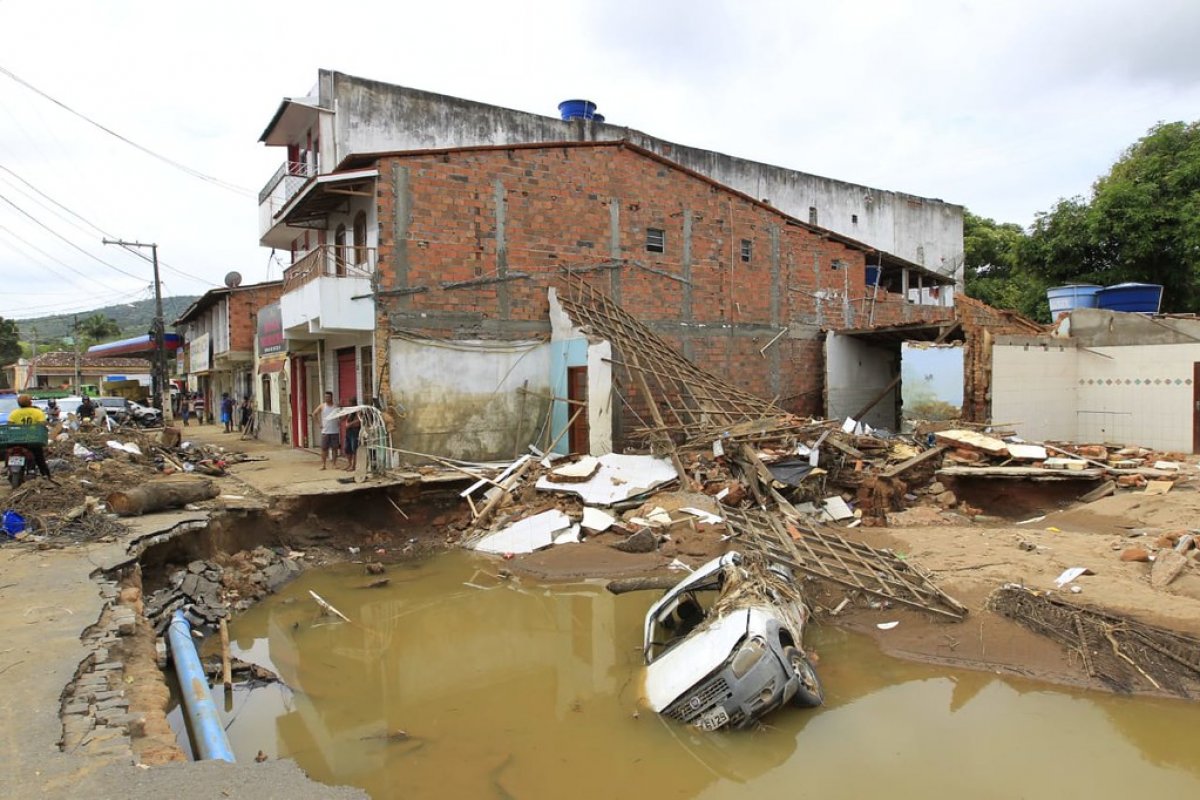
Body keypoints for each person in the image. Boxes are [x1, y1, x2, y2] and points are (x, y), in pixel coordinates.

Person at [4, 395, 53, 481]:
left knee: (9, 451)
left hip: (16, 440)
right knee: (39, 459)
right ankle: (46, 476)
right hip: (33, 440)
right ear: (30, 402)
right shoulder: (37, 412)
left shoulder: (14, 413)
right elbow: (42, 425)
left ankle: (6, 467)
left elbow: (10, 426)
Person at [311, 391, 340, 470]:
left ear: (331, 397)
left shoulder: (335, 406)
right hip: (325, 431)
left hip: (334, 431)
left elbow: (341, 414)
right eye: (326, 397)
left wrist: (340, 421)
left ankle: (334, 464)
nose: (327, 398)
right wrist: (319, 424)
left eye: (328, 397)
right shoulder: (322, 406)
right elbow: (314, 414)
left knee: (334, 449)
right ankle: (323, 464)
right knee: (324, 449)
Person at [341, 396, 362, 472]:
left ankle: (354, 466)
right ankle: (349, 464)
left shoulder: (358, 410)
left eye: (351, 402)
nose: (349, 404)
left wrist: (350, 424)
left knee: (354, 449)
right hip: (349, 431)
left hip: (355, 431)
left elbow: (359, 421)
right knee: (347, 449)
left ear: (354, 403)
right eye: (349, 402)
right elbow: (343, 418)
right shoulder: (349, 411)